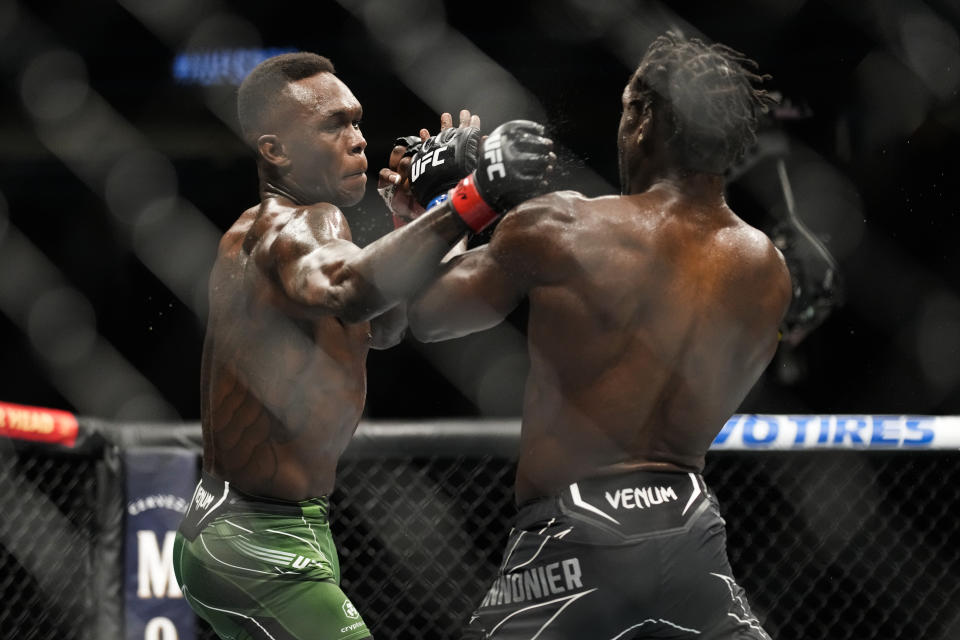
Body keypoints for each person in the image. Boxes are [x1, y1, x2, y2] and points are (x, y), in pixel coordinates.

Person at [406, 33, 792, 639]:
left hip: (573, 536)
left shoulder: (564, 225)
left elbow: (427, 315)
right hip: (691, 529)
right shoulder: (765, 268)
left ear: (642, 121)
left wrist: (446, 205)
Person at [171, 52, 554, 640]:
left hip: (280, 526)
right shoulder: (294, 226)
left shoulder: (288, 232)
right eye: (333, 125)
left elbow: (389, 325)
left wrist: (409, 215)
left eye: (357, 121)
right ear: (275, 150)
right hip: (254, 541)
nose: (358, 141)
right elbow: (350, 288)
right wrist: (475, 197)